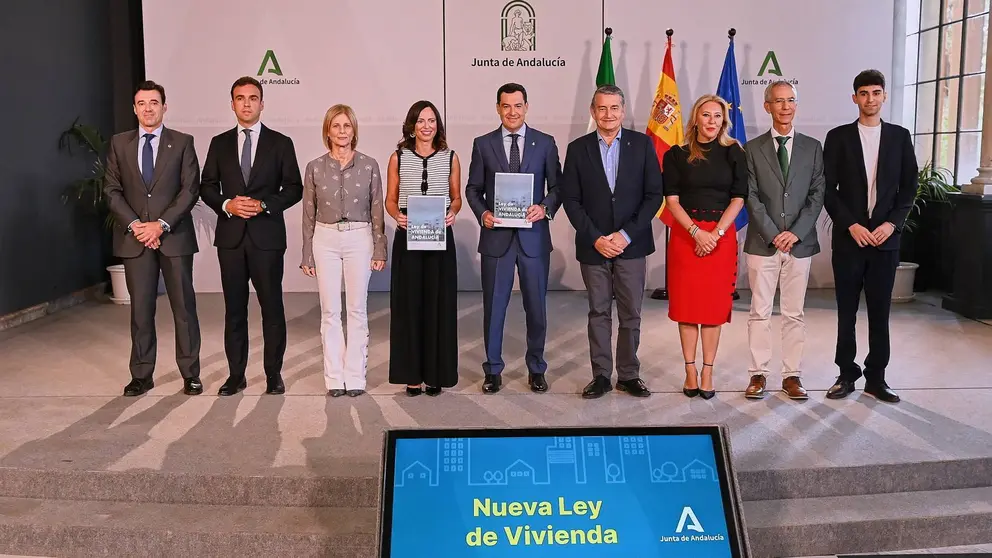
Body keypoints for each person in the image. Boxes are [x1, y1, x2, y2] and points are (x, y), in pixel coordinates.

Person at [200, 76, 303, 396]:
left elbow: (294, 188)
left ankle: (273, 374)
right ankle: (236, 375)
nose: (246, 103)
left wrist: (264, 205)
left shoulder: (281, 142)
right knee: (234, 310)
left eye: (253, 98)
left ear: (262, 103)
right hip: (231, 239)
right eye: (240, 98)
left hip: (267, 238)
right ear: (232, 104)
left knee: (272, 308)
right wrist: (227, 204)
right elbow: (206, 187)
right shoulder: (219, 143)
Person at [561, 85, 663, 399]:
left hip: (631, 245)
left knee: (632, 313)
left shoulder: (642, 145)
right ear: (593, 111)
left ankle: (629, 375)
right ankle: (602, 376)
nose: (609, 114)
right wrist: (596, 238)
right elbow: (571, 199)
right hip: (594, 247)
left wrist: (624, 235)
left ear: (623, 110)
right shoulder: (578, 149)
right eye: (602, 108)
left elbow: (652, 196)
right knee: (598, 312)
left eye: (615, 108)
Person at [823, 69, 917, 403]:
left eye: (876, 92)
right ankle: (846, 373)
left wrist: (892, 224)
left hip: (885, 240)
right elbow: (827, 190)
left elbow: (909, 188)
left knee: (880, 312)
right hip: (850, 239)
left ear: (884, 96)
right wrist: (851, 225)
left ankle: (877, 378)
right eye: (864, 93)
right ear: (855, 98)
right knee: (846, 311)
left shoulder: (900, 137)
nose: (870, 99)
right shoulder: (838, 137)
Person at [104, 80, 202, 397]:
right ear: (135, 109)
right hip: (136, 240)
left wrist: (160, 225)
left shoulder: (183, 142)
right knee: (141, 311)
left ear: (164, 107)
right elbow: (112, 190)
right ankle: (142, 375)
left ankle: (191, 374)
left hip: (173, 238)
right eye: (142, 103)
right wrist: (137, 226)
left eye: (154, 102)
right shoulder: (120, 144)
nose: (148, 108)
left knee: (184, 309)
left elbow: (189, 190)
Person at [465, 83, 562, 394]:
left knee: (536, 308)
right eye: (506, 106)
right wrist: (483, 213)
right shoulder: (483, 144)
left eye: (518, 105)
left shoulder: (545, 143)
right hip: (497, 240)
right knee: (494, 308)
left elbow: (559, 188)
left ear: (526, 107)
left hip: (534, 240)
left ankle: (536, 368)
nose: (512, 111)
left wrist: (544, 207)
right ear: (497, 108)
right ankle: (492, 370)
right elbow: (472, 189)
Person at [742, 81, 825, 401]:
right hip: (763, 243)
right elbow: (750, 195)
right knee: (759, 311)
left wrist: (796, 232)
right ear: (768, 107)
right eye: (779, 101)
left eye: (791, 100)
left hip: (799, 244)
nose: (786, 106)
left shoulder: (812, 147)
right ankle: (757, 374)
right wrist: (773, 232)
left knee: (794, 313)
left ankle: (792, 375)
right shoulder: (752, 148)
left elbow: (817, 194)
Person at [662, 94, 747, 400]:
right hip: (687, 236)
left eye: (717, 116)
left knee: (712, 311)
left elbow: (739, 197)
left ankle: (708, 370)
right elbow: (671, 200)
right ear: (695, 119)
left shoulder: (734, 152)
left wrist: (717, 232)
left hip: (721, 237)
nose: (712, 121)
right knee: (687, 309)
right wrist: (697, 232)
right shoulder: (676, 154)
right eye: (706, 115)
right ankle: (689, 370)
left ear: (724, 120)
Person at [300, 105, 387, 397]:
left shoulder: (369, 164)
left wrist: (379, 249)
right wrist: (307, 254)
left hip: (359, 238)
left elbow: (377, 210)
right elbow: (308, 214)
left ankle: (355, 376)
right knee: (330, 311)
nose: (342, 132)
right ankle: (334, 378)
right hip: (324, 238)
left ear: (354, 130)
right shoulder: (314, 166)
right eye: (336, 126)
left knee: (357, 309)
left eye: (347, 126)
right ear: (328, 131)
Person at [385, 100, 462, 396]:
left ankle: (436, 374)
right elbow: (391, 199)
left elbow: (456, 198)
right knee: (409, 306)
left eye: (431, 121)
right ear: (412, 126)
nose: (426, 126)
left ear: (438, 125)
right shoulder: (398, 158)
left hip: (440, 237)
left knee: (438, 305)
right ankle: (411, 375)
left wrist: (453, 212)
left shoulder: (451, 157)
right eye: (421, 121)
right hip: (409, 236)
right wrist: (396, 216)